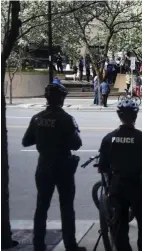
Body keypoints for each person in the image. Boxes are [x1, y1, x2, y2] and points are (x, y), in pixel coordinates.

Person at [22, 83, 86, 251]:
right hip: (63, 166)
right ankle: (70, 245)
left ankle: (38, 245)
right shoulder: (66, 119)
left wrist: (44, 138)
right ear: (61, 99)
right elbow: (76, 144)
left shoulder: (37, 118)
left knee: (41, 207)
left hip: (43, 166)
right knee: (67, 207)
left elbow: (26, 141)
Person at [98, 99, 142, 251]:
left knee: (119, 225)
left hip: (117, 185)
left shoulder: (109, 138)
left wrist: (109, 185)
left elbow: (103, 166)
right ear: (135, 117)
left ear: (119, 116)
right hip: (138, 185)